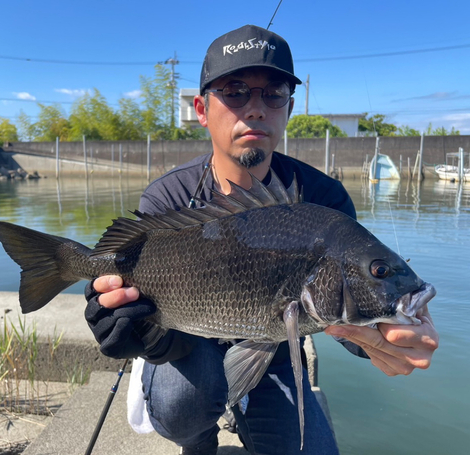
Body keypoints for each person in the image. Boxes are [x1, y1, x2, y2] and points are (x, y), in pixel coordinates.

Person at [84, 24, 439, 455]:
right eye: (234, 91)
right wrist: (139, 330)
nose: (255, 109)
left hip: (276, 348)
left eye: (274, 94)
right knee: (182, 402)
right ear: (201, 108)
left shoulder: (323, 199)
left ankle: (244, 404)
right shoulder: (169, 196)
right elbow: (148, 303)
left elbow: (334, 312)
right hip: (189, 342)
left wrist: (382, 337)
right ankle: (199, 441)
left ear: (288, 107)